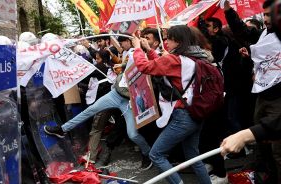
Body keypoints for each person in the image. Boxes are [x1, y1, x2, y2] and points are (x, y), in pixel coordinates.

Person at [44, 35, 153, 170]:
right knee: (90, 110)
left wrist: (140, 48)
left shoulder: (149, 61)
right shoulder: (131, 53)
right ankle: (62, 129)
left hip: (129, 102)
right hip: (115, 94)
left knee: (133, 134)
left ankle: (149, 154)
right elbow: (122, 62)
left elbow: (142, 65)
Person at [132, 25, 211, 184]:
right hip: (197, 111)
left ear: (178, 41)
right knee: (193, 157)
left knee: (156, 155)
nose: (166, 41)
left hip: (183, 116)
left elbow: (144, 67)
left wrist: (137, 49)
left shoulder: (174, 59)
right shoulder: (194, 56)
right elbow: (163, 65)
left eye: (169, 38)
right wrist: (149, 50)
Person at [223, 0, 281, 182]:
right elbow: (242, 31)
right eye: (264, 14)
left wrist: (245, 135)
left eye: (271, 15)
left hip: (278, 101)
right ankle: (266, 173)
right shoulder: (263, 34)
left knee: (278, 149)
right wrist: (228, 10)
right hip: (262, 96)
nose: (266, 19)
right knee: (262, 145)